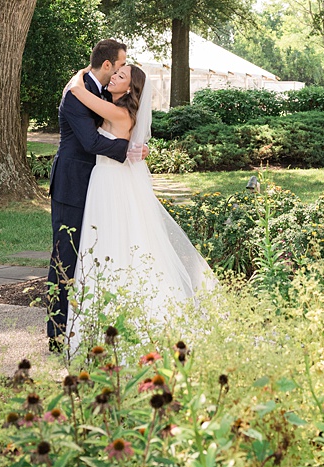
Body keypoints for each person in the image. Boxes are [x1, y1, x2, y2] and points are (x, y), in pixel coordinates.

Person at [62, 60, 211, 354]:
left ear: (130, 88)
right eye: (115, 72)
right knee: (106, 244)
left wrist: (82, 72)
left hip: (111, 183)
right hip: (106, 181)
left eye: (120, 75)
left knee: (110, 245)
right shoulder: (116, 108)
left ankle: (120, 325)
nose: (114, 76)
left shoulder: (118, 113)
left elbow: (78, 90)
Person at [46, 39, 134, 348]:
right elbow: (91, 143)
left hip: (98, 187)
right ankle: (56, 336)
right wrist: (127, 149)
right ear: (108, 65)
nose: (124, 70)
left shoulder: (101, 91)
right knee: (64, 258)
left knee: (92, 255)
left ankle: (84, 326)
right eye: (121, 65)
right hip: (72, 184)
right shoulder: (76, 91)